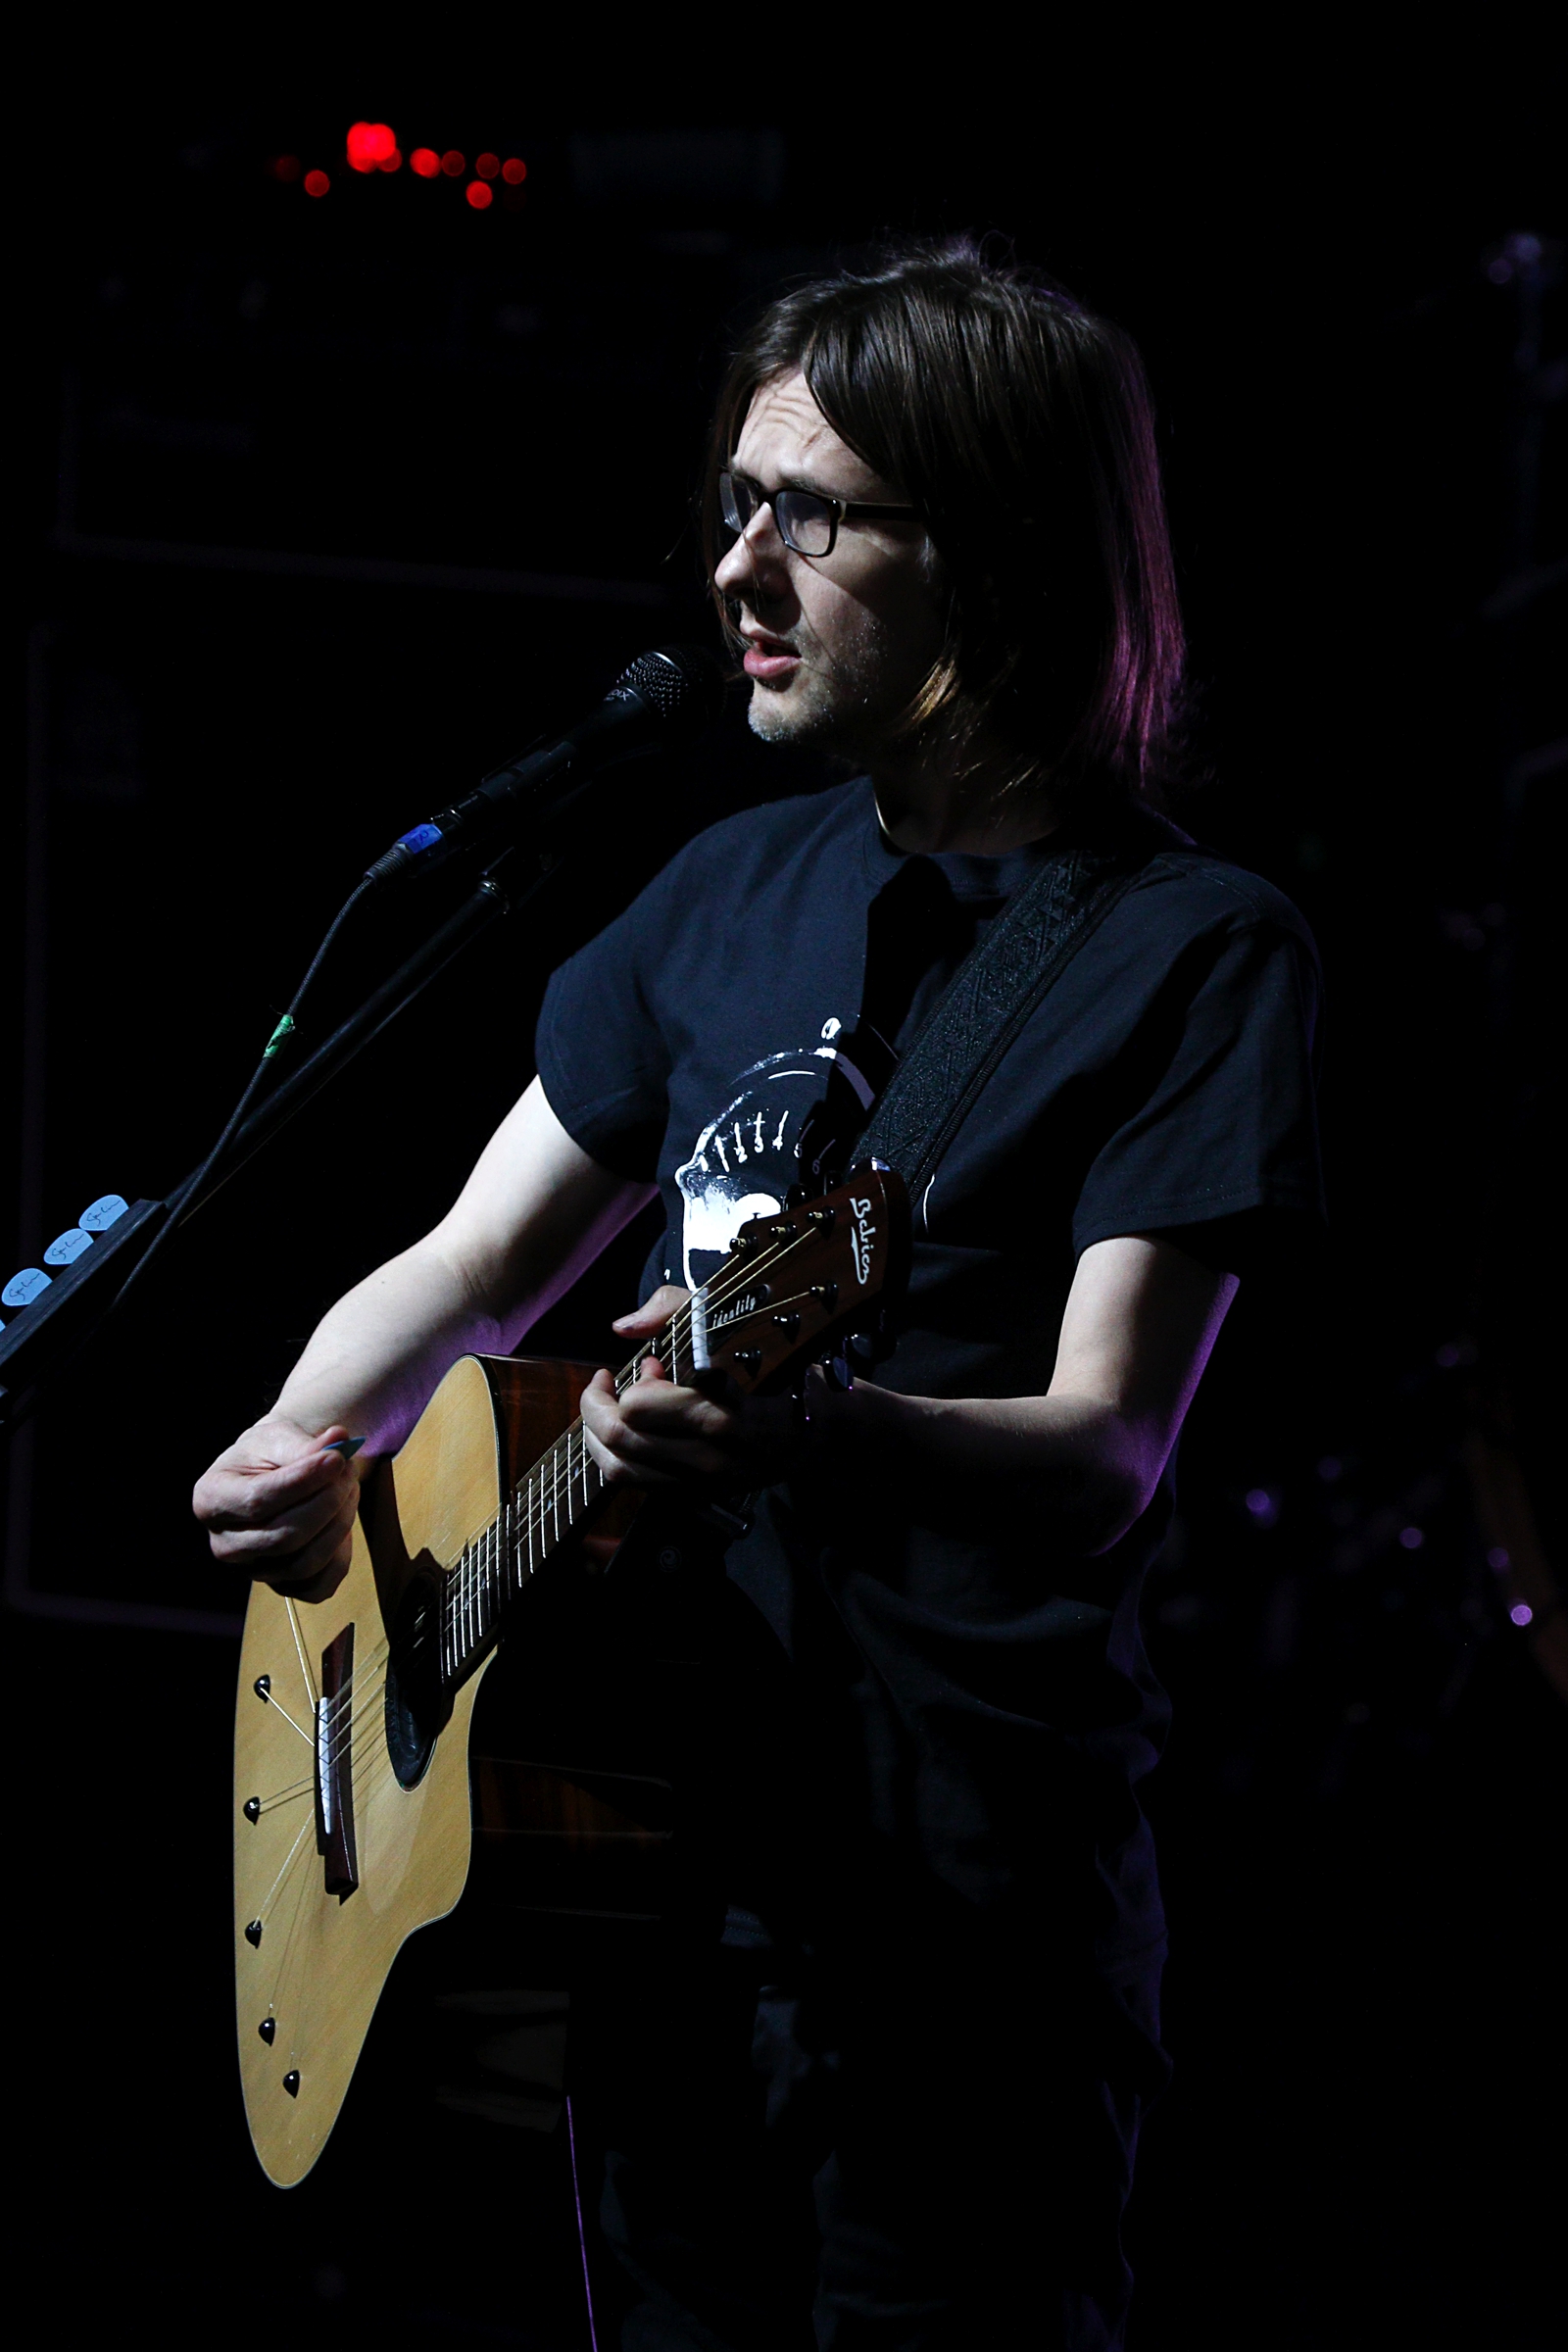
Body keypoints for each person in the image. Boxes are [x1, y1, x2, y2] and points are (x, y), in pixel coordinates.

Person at [195, 237, 1323, 2348]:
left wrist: (823, 1424)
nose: (735, 569)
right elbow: (471, 1264)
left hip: (955, 1913)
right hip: (651, 1872)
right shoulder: (723, 891)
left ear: (989, 547)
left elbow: (1104, 1452)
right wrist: (304, 1436)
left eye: (806, 514)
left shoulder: (1190, 949)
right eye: (732, 506)